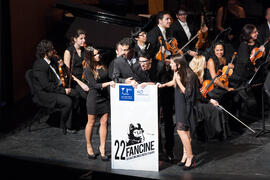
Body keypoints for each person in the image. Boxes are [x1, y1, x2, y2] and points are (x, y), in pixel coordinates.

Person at [158, 55, 219, 170]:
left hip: (186, 106)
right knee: (185, 132)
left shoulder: (190, 76)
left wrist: (177, 81)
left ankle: (191, 157)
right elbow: (173, 82)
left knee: (182, 131)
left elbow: (188, 93)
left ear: (179, 65)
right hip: (180, 104)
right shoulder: (179, 73)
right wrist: (164, 85)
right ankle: (185, 156)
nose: (170, 65)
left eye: (172, 63)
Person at [32, 40, 78, 135]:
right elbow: (47, 86)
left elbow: (61, 74)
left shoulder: (52, 61)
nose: (54, 50)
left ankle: (73, 120)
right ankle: (65, 125)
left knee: (76, 94)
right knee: (67, 101)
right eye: (51, 49)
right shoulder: (40, 65)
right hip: (45, 94)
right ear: (45, 52)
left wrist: (63, 66)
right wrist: (64, 91)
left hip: (55, 88)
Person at [83, 46, 115, 161]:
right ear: (90, 57)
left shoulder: (102, 64)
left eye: (98, 53)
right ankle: (88, 144)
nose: (98, 56)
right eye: (96, 54)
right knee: (91, 122)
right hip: (94, 98)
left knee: (104, 122)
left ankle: (102, 147)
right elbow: (95, 86)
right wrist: (108, 84)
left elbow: (108, 76)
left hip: (104, 98)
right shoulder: (87, 69)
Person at [63, 29, 89, 99]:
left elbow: (86, 66)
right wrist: (81, 84)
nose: (84, 40)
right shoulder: (68, 51)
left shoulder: (84, 50)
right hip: (74, 81)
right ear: (75, 39)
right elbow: (68, 73)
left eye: (84, 38)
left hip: (84, 78)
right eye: (81, 38)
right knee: (86, 96)